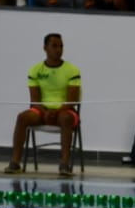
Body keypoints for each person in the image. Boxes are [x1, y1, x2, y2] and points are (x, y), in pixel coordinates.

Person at [4, 33, 80, 177]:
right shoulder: (35, 70)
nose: (58, 49)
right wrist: (45, 112)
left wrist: (55, 112)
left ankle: (64, 165)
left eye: (61, 46)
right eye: (54, 46)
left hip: (65, 111)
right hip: (41, 110)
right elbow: (34, 100)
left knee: (66, 119)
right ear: (45, 48)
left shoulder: (72, 70)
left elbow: (72, 101)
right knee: (22, 117)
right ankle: (15, 163)